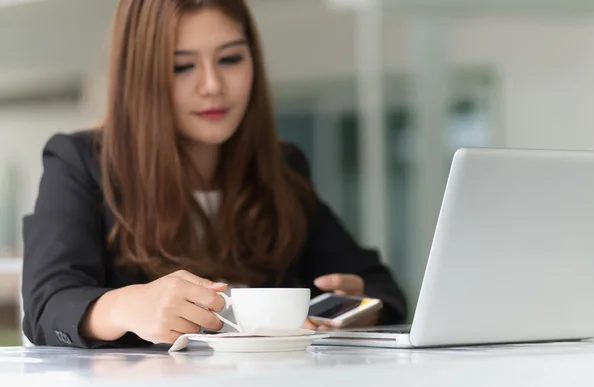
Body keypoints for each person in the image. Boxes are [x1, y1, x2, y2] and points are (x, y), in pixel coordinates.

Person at [21, 0, 406, 349]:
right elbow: (46, 306)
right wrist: (123, 306)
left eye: (230, 59)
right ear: (140, 76)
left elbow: (381, 288)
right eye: (182, 66)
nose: (212, 86)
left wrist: (358, 306)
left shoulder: (282, 167)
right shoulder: (80, 161)